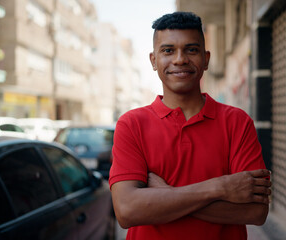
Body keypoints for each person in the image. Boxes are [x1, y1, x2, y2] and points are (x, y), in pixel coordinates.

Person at [109, 11, 272, 240]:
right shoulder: (131, 124)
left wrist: (165, 195)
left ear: (205, 59)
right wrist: (221, 188)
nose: (179, 59)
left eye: (191, 50)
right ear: (153, 60)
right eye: (168, 50)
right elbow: (127, 211)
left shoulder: (237, 122)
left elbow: (255, 212)